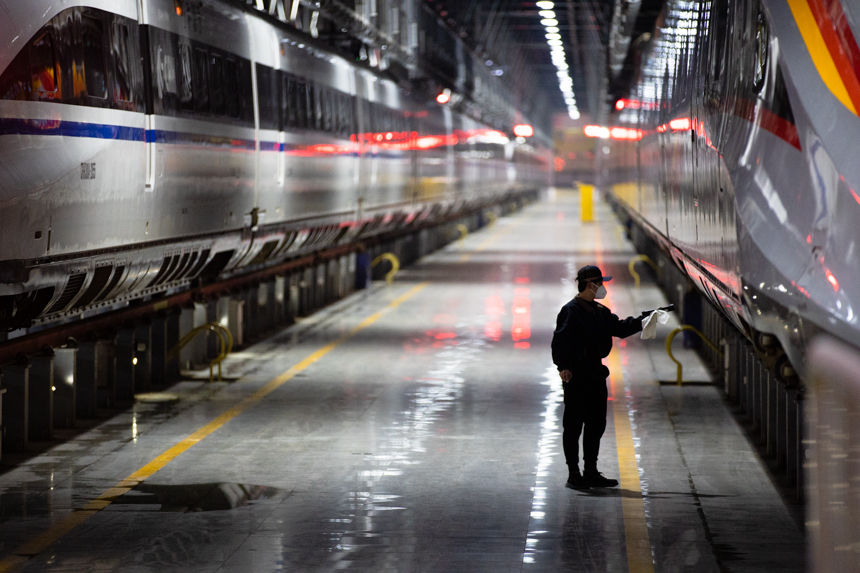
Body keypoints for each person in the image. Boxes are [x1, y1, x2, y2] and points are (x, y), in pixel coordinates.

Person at [551, 265, 643, 489]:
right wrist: (563, 366)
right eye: (600, 283)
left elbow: (620, 328)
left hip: (595, 374)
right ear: (591, 284)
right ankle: (574, 474)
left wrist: (646, 319)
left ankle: (590, 471)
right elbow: (559, 343)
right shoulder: (570, 311)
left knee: (595, 424)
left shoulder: (600, 312)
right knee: (573, 426)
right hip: (577, 376)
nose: (603, 287)